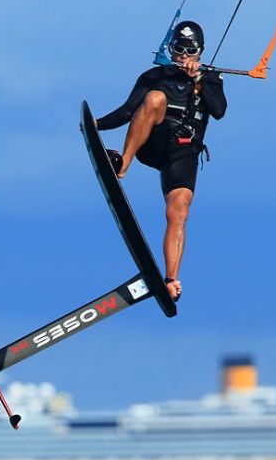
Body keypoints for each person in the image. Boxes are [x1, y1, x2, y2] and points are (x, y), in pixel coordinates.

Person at [96, 21, 227, 302]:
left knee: (178, 211)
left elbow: (218, 110)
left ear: (200, 52)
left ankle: (171, 280)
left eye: (190, 51)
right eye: (178, 50)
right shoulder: (154, 76)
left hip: (183, 152)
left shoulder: (211, 78)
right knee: (155, 99)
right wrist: (95, 125)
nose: (184, 56)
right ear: (171, 49)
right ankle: (122, 165)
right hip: (152, 143)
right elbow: (127, 111)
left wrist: (199, 80)